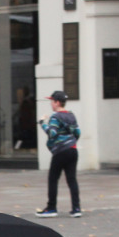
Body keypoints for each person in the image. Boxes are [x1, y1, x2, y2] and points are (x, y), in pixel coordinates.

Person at [36, 90, 81, 218]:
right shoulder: (71, 115)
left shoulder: (55, 117)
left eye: (52, 101)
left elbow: (52, 133)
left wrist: (42, 123)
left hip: (60, 152)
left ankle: (51, 208)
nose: (51, 103)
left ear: (57, 102)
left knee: (53, 179)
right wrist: (71, 142)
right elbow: (77, 132)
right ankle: (76, 208)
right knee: (72, 179)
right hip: (73, 150)